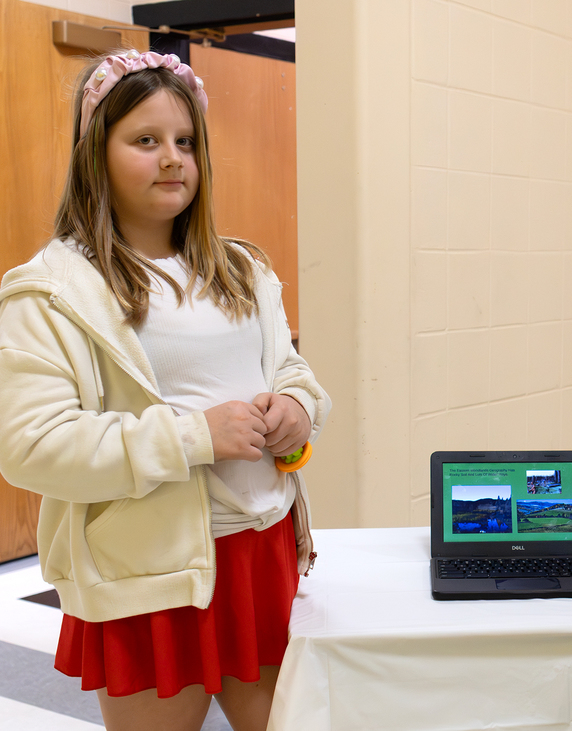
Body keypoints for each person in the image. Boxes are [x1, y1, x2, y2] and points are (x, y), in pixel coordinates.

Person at [0, 50, 330, 731]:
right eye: (145, 141)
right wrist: (194, 436)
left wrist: (299, 409)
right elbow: (30, 446)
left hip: (262, 553)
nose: (172, 159)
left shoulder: (241, 269)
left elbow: (292, 372)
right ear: (97, 153)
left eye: (185, 142)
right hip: (147, 574)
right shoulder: (50, 290)